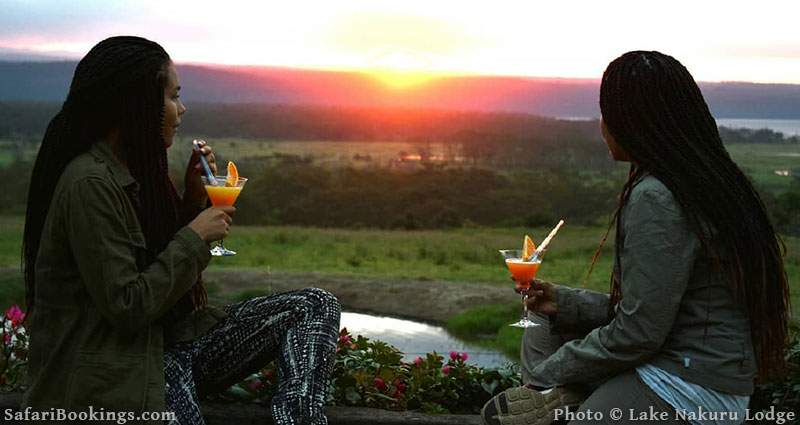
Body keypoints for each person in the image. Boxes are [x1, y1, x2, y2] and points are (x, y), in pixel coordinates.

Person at [21, 36, 341, 425]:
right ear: (136, 104)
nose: (181, 109)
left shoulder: (131, 172)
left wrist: (191, 203)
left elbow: (155, 267)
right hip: (129, 363)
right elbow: (128, 306)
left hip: (169, 342)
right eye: (173, 97)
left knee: (313, 305)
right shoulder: (89, 184)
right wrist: (194, 236)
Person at [482, 51, 790, 425]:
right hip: (706, 374)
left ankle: (553, 397)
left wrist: (553, 367)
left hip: (685, 387)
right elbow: (662, 312)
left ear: (633, 122)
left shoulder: (657, 195)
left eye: (608, 113)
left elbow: (640, 333)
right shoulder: (708, 182)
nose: (603, 125)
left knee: (552, 369)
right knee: (544, 318)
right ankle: (552, 399)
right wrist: (568, 304)